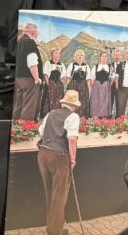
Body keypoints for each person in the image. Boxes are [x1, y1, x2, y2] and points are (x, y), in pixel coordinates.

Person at [37, 89, 81, 235]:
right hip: (59, 157)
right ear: (75, 106)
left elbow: (41, 132)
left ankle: (54, 227)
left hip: (43, 154)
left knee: (50, 193)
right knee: (59, 196)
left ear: (64, 103)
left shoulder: (51, 113)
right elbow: (72, 139)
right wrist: (73, 159)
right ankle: (55, 231)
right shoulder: (73, 116)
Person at [14, 23, 44, 121]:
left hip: (19, 78)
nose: (38, 33)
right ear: (33, 31)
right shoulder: (29, 42)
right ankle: (26, 126)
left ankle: (16, 124)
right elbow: (32, 62)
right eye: (37, 31)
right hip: (29, 79)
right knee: (29, 105)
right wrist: (36, 78)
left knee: (19, 103)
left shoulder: (20, 41)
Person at [65, 49, 90, 116]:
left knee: (82, 101)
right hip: (73, 85)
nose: (80, 57)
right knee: (73, 101)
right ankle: (72, 115)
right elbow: (68, 77)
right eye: (78, 55)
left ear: (84, 57)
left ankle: (82, 116)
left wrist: (87, 89)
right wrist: (69, 88)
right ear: (75, 57)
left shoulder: (86, 66)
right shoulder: (71, 65)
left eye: (81, 55)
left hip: (83, 86)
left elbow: (88, 79)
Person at [42, 48, 66, 115]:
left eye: (58, 53)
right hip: (50, 83)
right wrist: (48, 85)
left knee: (58, 100)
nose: (57, 55)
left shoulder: (61, 64)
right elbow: (46, 75)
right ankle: (47, 115)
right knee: (48, 99)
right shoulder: (48, 63)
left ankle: (57, 114)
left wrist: (61, 84)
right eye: (55, 53)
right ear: (52, 55)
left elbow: (63, 76)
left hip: (58, 84)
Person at [89, 51, 112, 118]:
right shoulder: (96, 67)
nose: (104, 57)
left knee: (105, 102)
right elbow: (92, 78)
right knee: (96, 101)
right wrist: (92, 88)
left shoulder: (109, 67)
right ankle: (95, 117)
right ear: (100, 57)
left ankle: (104, 118)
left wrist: (109, 85)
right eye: (102, 56)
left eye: (105, 56)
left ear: (107, 58)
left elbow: (111, 77)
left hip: (106, 86)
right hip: (97, 86)